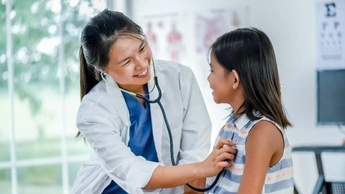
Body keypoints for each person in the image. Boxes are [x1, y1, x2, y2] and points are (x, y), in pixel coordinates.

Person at [71, 9, 237, 194]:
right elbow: (131, 171)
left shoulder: (180, 78)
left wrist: (200, 171)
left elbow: (195, 153)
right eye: (126, 62)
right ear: (102, 68)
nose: (142, 64)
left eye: (142, 48)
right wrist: (203, 168)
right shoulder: (93, 111)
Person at [205, 28, 294, 193]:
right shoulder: (231, 127)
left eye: (212, 70)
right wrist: (207, 165)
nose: (208, 79)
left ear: (234, 79)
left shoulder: (262, 132)